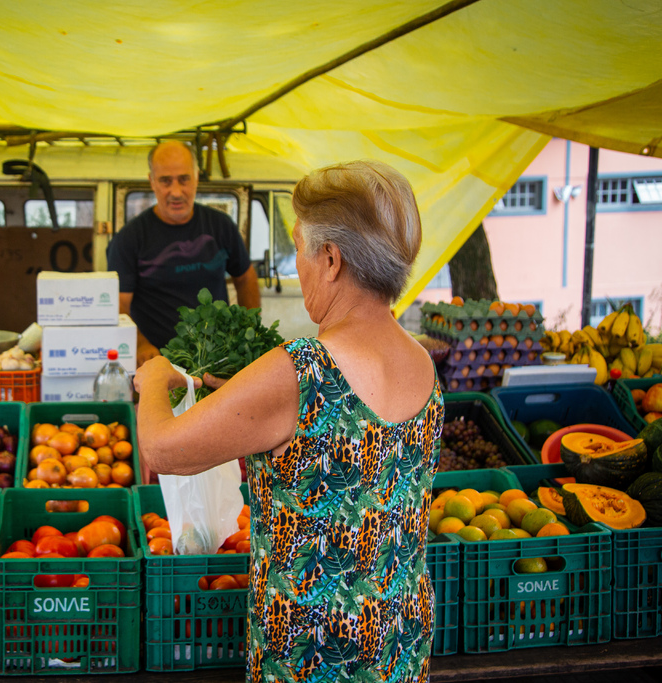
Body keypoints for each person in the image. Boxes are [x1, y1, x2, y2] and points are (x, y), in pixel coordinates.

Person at [134, 160, 442, 683]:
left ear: (330, 258)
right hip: (399, 642)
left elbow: (161, 450)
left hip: (310, 655)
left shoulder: (302, 370)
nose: (297, 263)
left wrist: (156, 382)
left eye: (298, 247)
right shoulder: (423, 362)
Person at [106, 140, 260, 367]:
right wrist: (140, 345)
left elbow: (246, 277)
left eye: (184, 179)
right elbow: (118, 306)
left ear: (196, 177)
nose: (176, 192)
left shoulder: (220, 226)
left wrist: (249, 330)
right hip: (159, 362)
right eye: (165, 181)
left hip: (217, 361)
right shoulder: (130, 238)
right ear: (152, 181)